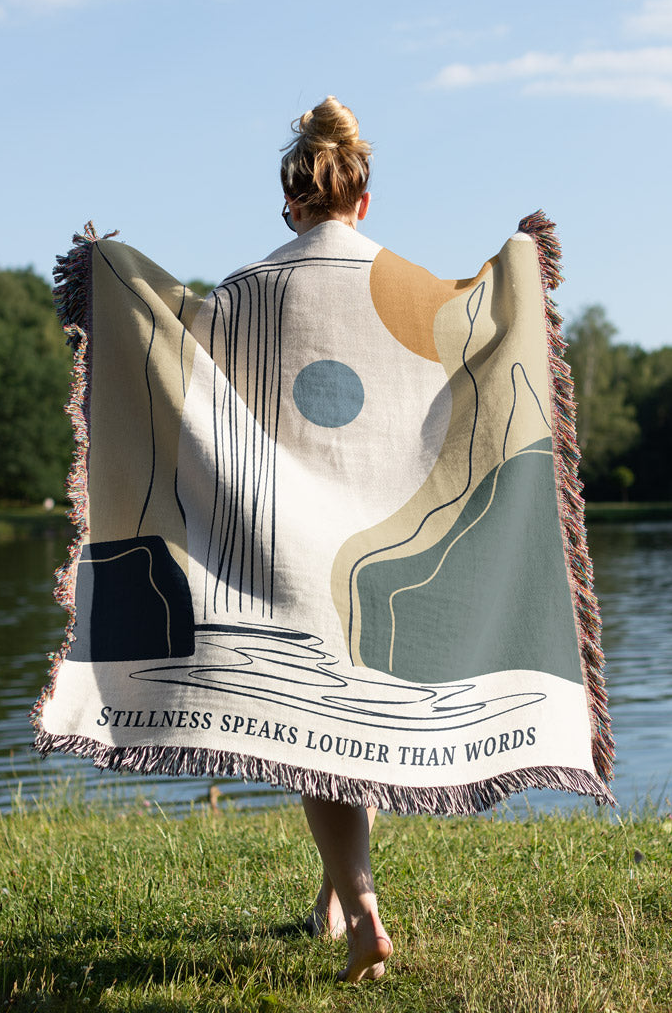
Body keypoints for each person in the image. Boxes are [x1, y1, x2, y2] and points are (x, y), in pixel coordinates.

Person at [275, 96, 392, 984]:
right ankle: (329, 900)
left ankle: (362, 915)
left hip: (292, 543)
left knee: (318, 740)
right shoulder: (404, 284)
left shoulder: (251, 290)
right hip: (389, 547)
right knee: (361, 730)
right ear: (361, 197)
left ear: (293, 202)